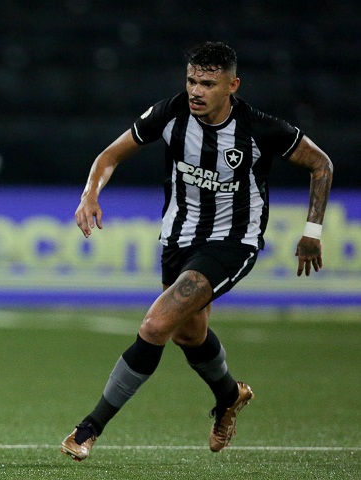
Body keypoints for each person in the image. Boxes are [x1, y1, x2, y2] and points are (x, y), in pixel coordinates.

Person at [61, 41, 332, 460]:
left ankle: (88, 429)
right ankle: (229, 395)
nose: (196, 91)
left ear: (232, 86)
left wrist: (312, 230)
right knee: (189, 334)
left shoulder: (259, 128)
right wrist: (90, 194)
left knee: (156, 325)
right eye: (191, 81)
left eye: (208, 83)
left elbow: (321, 164)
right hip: (178, 239)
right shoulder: (171, 113)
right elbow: (110, 155)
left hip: (232, 242)